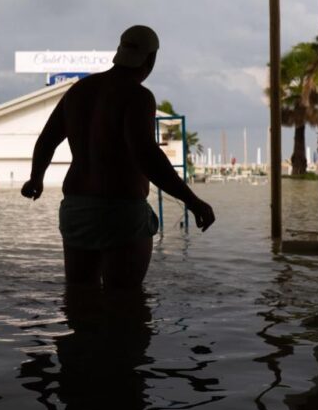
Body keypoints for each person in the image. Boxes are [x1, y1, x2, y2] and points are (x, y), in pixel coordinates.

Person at [21, 25, 215, 288]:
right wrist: (192, 200)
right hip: (120, 213)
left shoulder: (78, 91)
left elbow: (46, 140)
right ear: (151, 59)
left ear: (119, 52)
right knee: (126, 305)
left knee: (80, 300)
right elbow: (146, 154)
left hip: (77, 209)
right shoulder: (138, 96)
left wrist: (36, 179)